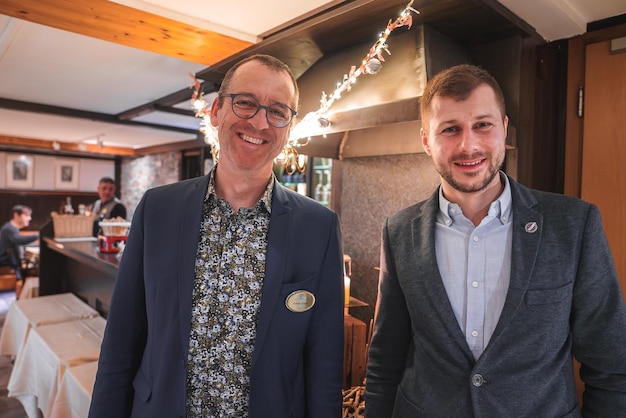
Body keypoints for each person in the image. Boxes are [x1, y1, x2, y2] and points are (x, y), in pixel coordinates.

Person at [89, 54, 345, 418]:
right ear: (216, 112)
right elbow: (120, 342)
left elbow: (325, 364)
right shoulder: (157, 210)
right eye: (246, 103)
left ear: (288, 127)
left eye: (277, 111)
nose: (259, 122)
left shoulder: (318, 227)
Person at [364, 64, 626, 417]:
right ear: (426, 140)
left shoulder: (574, 225)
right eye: (450, 129)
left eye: (482, 125)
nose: (468, 145)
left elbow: (612, 363)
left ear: (504, 129)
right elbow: (386, 358)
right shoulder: (398, 230)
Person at [0, 205, 39, 280]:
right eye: (26, 215)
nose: (29, 218)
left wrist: (37, 244)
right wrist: (38, 235)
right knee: (32, 268)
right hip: (4, 261)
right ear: (16, 215)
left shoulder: (12, 228)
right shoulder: (9, 228)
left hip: (9, 260)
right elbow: (20, 240)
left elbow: (20, 243)